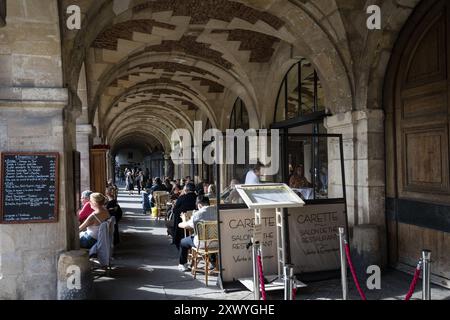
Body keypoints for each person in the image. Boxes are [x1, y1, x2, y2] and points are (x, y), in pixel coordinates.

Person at [177, 195, 217, 272]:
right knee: (210, 236)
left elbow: (185, 225)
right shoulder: (217, 211)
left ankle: (183, 265)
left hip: (201, 244)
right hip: (217, 243)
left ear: (199, 204)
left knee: (183, 242)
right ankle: (212, 262)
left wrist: (183, 220)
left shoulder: (198, 214)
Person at [172, 183, 197, 249]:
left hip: (182, 227)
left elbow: (174, 210)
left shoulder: (182, 198)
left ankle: (177, 241)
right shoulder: (198, 198)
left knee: (177, 215)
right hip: (196, 227)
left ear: (186, 190)